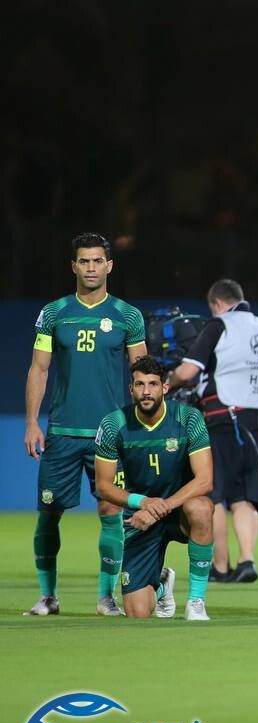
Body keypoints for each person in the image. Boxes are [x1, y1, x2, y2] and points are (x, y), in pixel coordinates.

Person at [24, 232, 147, 617]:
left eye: (98, 261)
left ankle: (106, 597)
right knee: (49, 514)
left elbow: (143, 375)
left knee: (112, 516)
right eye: (84, 261)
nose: (91, 267)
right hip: (61, 432)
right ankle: (48, 596)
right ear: (73, 266)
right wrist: (31, 422)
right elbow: (39, 370)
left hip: (110, 436)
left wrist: (145, 427)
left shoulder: (128, 316)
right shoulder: (55, 312)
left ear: (110, 266)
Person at [169, 278, 258, 584]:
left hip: (223, 416)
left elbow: (189, 371)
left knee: (214, 495)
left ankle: (220, 567)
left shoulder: (219, 326)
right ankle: (247, 561)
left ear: (217, 304)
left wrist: (169, 380)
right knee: (245, 498)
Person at [93, 355, 215, 620]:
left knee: (203, 507)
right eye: (139, 384)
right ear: (131, 389)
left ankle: (195, 601)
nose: (146, 391)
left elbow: (205, 480)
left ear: (165, 388)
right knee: (137, 613)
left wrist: (161, 506)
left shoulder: (188, 419)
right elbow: (103, 486)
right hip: (141, 516)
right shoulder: (114, 424)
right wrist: (143, 503)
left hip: (178, 510)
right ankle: (160, 583)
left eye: (152, 384)